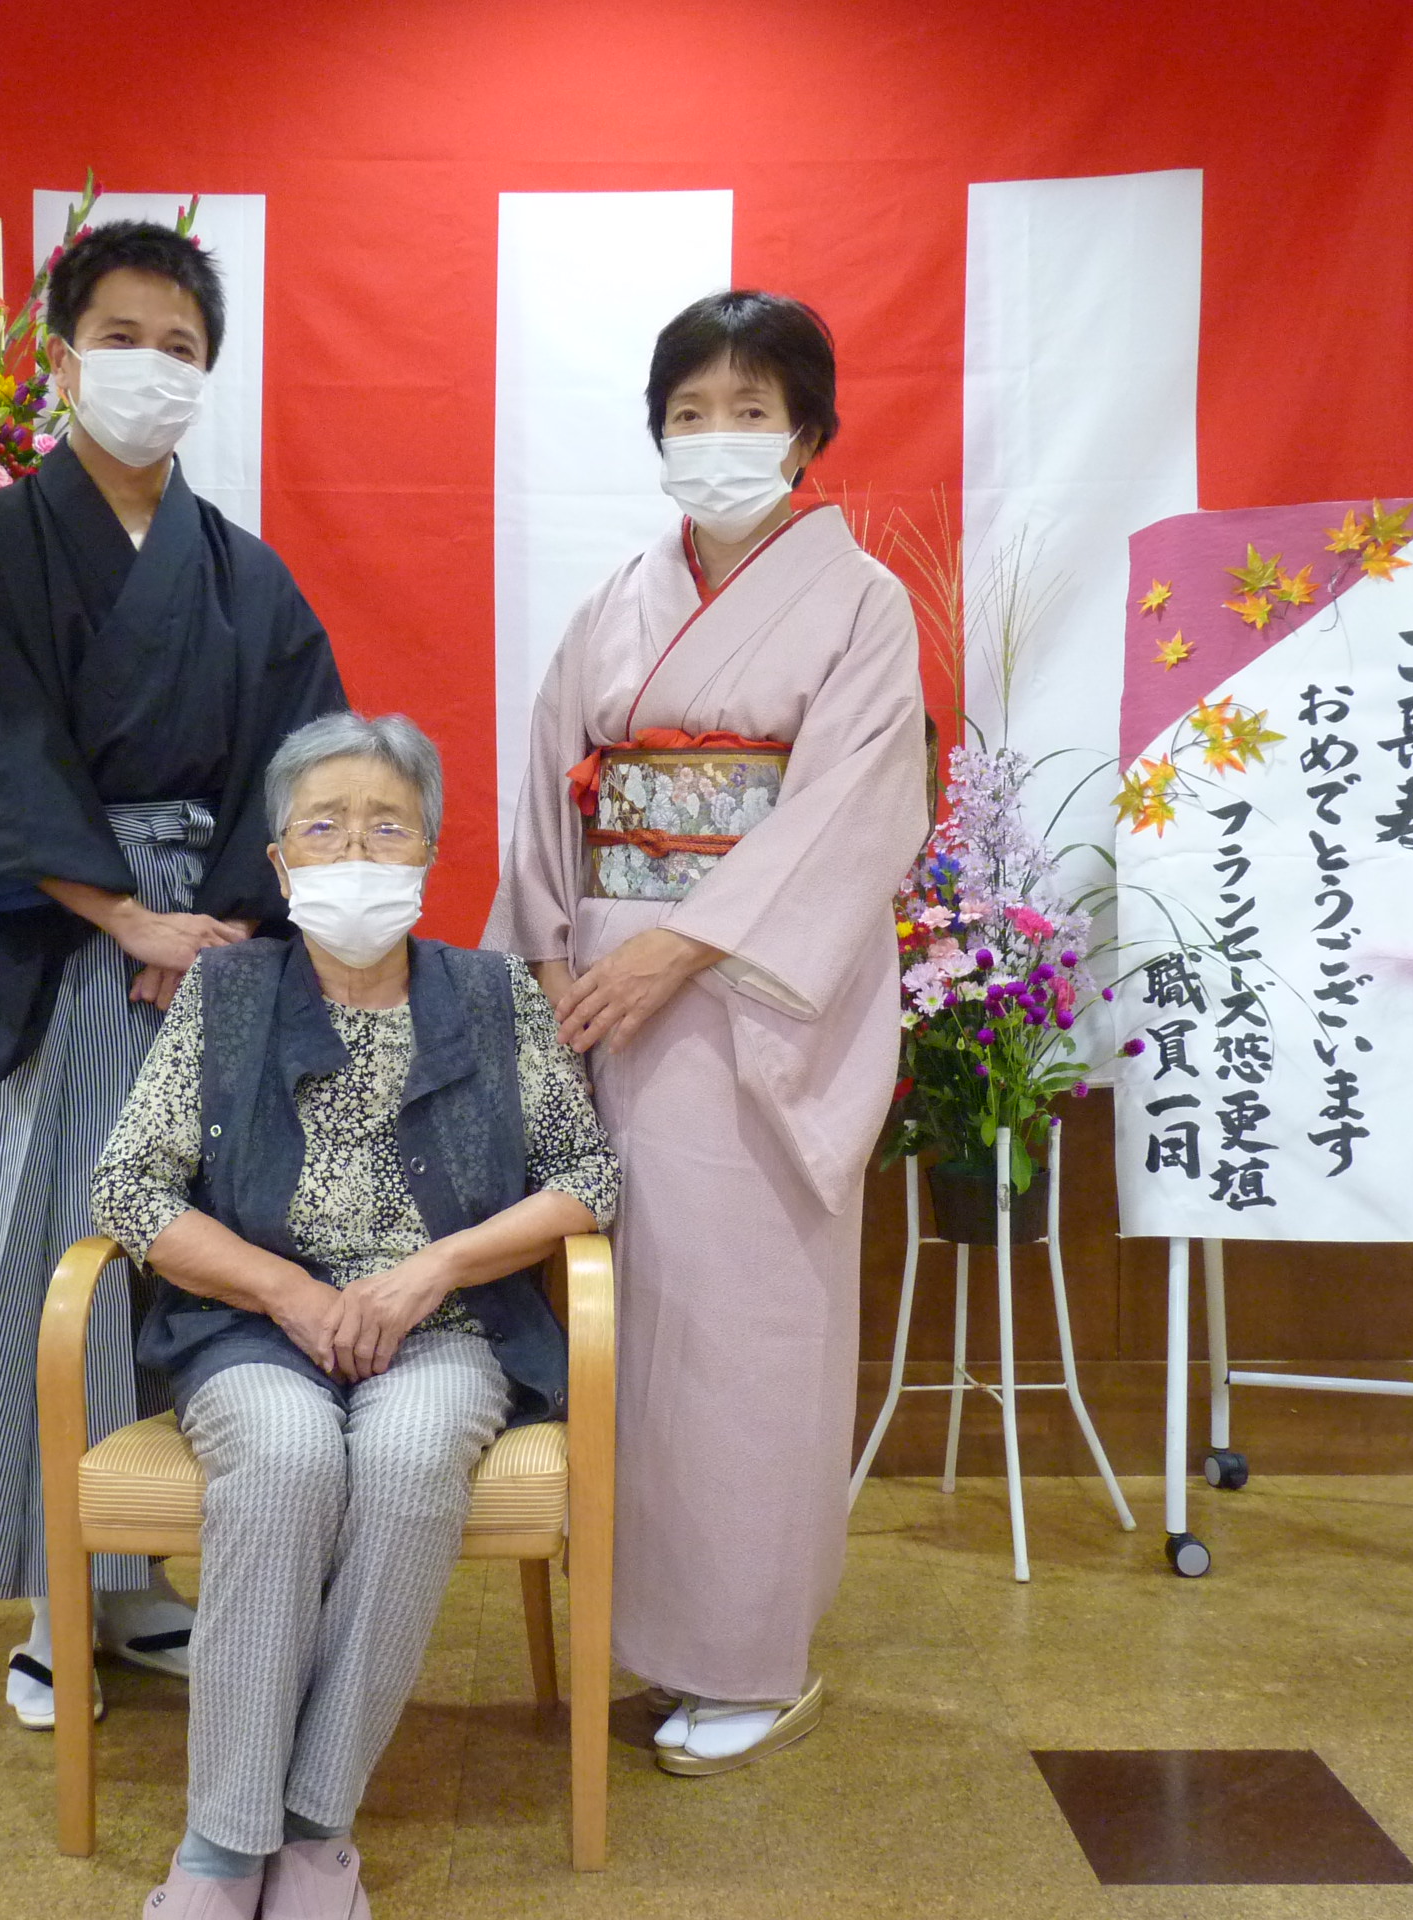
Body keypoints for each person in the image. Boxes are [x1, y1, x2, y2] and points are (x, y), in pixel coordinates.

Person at [0, 218, 345, 1729]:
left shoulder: (245, 577)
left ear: (210, 372)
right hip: (59, 944)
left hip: (211, 954)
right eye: (121, 337)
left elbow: (303, 763)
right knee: (58, 1260)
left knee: (198, 1264)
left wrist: (222, 930)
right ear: (61, 354)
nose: (151, 366)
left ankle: (146, 1579)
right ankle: (56, 1600)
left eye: (180, 345)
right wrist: (118, 917)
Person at [485, 290, 926, 1775]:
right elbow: (551, 793)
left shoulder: (860, 603)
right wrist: (556, 965)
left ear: (806, 433)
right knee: (625, 1319)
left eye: (751, 411)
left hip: (749, 1002)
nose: (717, 438)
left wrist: (679, 948)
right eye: (690, 413)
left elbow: (851, 811)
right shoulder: (616, 600)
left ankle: (749, 1655)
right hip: (606, 1000)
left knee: (742, 1328)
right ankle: (642, 1629)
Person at [91, 712, 618, 1920]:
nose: (355, 849)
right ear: (280, 863)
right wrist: (283, 1288)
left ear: (427, 850)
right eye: (322, 828)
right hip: (249, 1329)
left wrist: (433, 1271)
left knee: (408, 1457)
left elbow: (588, 1175)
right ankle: (224, 1846)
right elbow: (129, 1189)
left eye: (386, 826)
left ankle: (315, 1829)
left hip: (446, 1328)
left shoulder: (493, 994)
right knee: (284, 1460)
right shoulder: (224, 992)